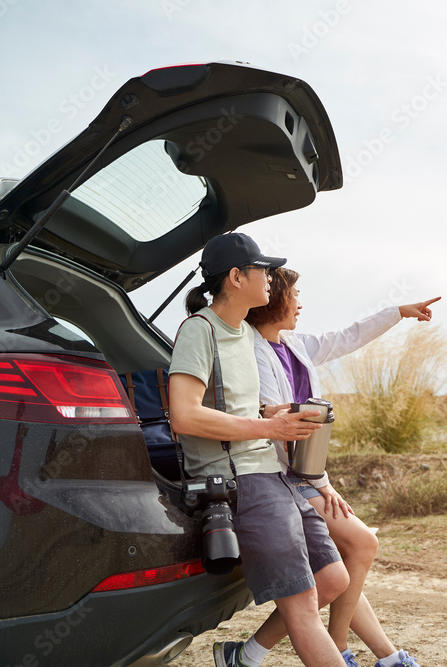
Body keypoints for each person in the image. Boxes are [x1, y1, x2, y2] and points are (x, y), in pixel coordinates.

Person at [168, 233, 349, 667]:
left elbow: (239, 404)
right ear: (235, 277)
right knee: (303, 604)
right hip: (240, 480)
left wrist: (280, 411)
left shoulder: (245, 333)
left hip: (273, 473)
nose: (270, 278)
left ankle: (242, 657)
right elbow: (184, 416)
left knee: (333, 577)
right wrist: (268, 425)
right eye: (262, 270)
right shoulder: (200, 330)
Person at [245, 267, 439, 667]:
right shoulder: (250, 352)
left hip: (306, 475)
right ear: (274, 298)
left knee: (350, 560)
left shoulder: (295, 344)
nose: (300, 302)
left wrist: (397, 312)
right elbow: (274, 432)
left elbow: (347, 337)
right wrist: (321, 482)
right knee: (362, 544)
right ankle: (343, 651)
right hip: (283, 479)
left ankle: (384, 656)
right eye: (295, 294)